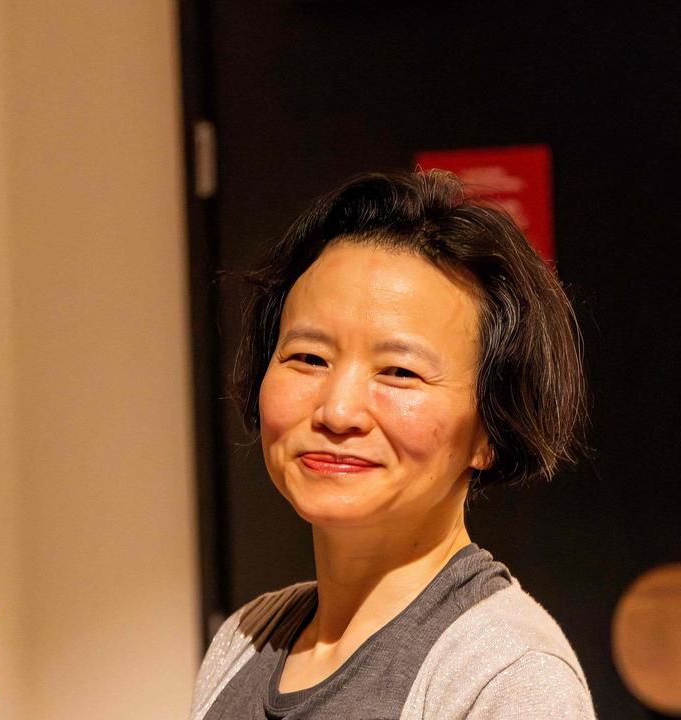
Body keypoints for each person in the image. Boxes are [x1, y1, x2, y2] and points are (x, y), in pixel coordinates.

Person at [191, 171, 596, 719]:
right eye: (308, 358)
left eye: (400, 372)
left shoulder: (506, 677)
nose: (337, 411)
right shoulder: (245, 641)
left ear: (490, 429)